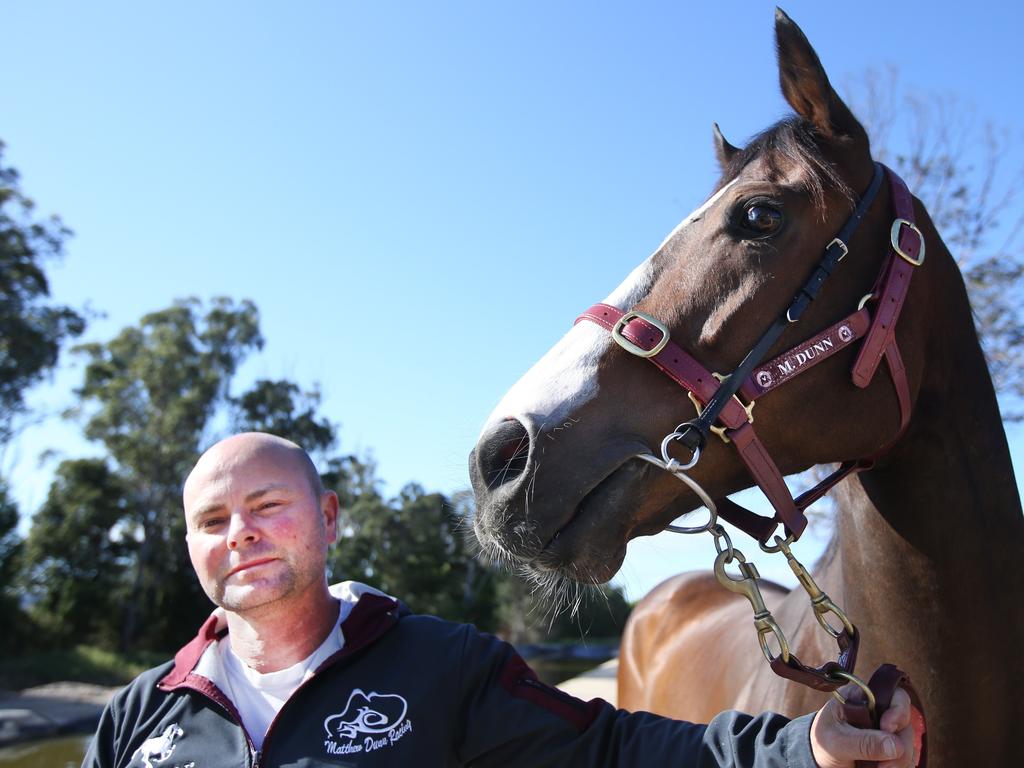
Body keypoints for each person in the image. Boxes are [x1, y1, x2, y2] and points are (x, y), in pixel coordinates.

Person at [83, 432, 917, 767]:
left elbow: (612, 753)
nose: (240, 534)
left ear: (327, 519)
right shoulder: (136, 716)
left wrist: (798, 749)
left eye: (267, 507)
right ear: (190, 544)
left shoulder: (442, 666)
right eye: (213, 520)